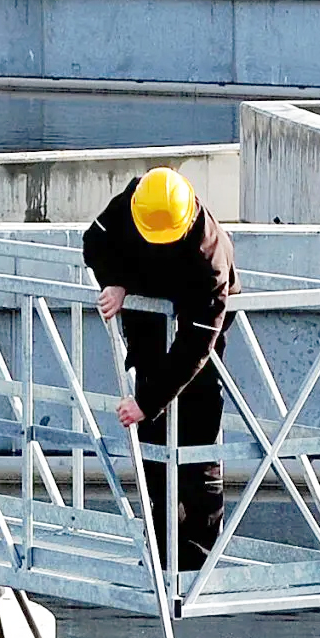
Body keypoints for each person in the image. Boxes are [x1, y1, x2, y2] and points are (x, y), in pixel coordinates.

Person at [81, 167, 238, 572]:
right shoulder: (137, 203)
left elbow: (196, 343)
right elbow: (94, 242)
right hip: (148, 309)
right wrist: (115, 281)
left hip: (196, 317)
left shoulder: (209, 254)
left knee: (198, 429)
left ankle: (196, 561)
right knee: (153, 444)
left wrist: (147, 402)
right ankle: (161, 548)